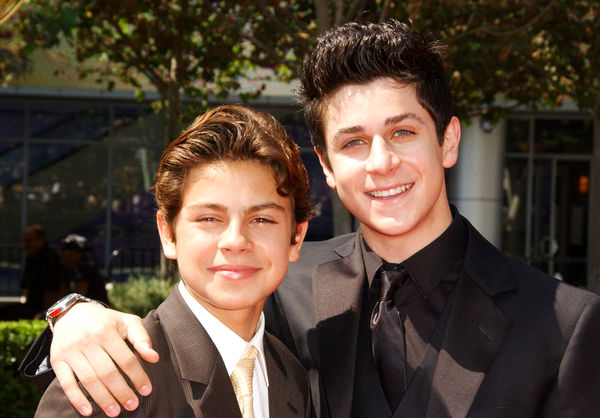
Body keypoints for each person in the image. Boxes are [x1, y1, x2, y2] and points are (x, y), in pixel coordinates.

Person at [22, 20, 600, 417]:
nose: (381, 163)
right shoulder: (280, 284)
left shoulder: (566, 326)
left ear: (448, 141)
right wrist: (69, 314)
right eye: (353, 142)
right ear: (325, 163)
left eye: (402, 132)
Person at [32, 105, 312, 417]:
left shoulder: (293, 377)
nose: (235, 241)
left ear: (296, 238)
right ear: (168, 233)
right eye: (209, 218)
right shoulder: (108, 378)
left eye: (261, 219)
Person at [19, 224, 64, 318]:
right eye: (24, 241)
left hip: (45, 311)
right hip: (31, 307)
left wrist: (45, 315)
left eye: (29, 241)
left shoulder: (50, 260)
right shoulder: (31, 258)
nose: (25, 245)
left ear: (41, 240)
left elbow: (52, 292)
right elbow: (27, 289)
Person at [58, 234, 109, 306]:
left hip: (94, 309)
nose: (60, 253)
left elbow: (78, 298)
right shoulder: (67, 270)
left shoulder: (84, 270)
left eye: (65, 249)